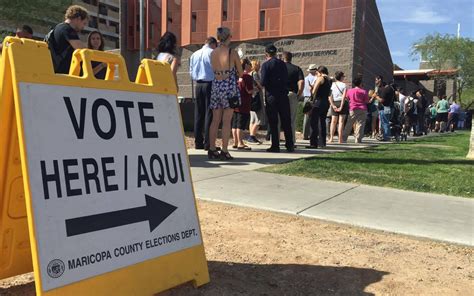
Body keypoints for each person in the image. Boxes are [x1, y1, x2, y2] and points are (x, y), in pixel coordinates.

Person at [208, 27, 243, 160]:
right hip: (228, 86)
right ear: (228, 37)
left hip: (216, 85)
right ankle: (224, 150)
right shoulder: (231, 52)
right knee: (227, 120)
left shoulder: (213, 53)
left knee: (215, 120)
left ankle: (212, 149)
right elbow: (240, 72)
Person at [260, 44, 294, 152]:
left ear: (266, 53)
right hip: (283, 94)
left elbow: (263, 81)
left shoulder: (266, 65)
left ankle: (275, 145)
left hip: (271, 96)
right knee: (286, 120)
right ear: (275, 53)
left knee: (273, 122)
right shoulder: (282, 64)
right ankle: (290, 144)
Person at [189, 36, 218, 150]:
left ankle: (198, 142)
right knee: (209, 113)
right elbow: (216, 69)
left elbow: (191, 71)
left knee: (199, 113)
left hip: (198, 84)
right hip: (209, 83)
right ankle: (208, 143)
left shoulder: (194, 54)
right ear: (213, 44)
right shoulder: (212, 53)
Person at [49, 5, 88, 74]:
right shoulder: (67, 29)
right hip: (63, 74)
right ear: (78, 19)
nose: (83, 27)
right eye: (84, 23)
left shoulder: (59, 27)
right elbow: (82, 50)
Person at [306, 66, 331, 149]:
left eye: (317, 73)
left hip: (318, 101)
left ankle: (313, 143)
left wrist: (312, 90)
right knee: (322, 122)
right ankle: (322, 142)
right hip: (325, 102)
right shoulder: (329, 80)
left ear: (319, 72)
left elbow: (314, 91)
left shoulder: (320, 78)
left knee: (314, 122)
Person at [282, 51, 304, 145]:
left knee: (278, 118)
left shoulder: (280, 68)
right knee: (291, 119)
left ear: (283, 58)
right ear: (291, 58)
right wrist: (299, 94)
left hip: (280, 94)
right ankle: (291, 141)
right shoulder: (296, 68)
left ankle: (275, 141)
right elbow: (301, 82)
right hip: (292, 94)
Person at [232, 59, 253, 150]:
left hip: (235, 102)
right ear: (246, 65)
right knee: (241, 124)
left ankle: (235, 142)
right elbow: (249, 90)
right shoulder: (247, 77)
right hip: (244, 102)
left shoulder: (236, 76)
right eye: (249, 64)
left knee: (235, 123)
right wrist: (255, 90)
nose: (251, 66)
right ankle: (240, 143)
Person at [342, 76, 369, 143]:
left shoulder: (350, 91)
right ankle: (358, 139)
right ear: (360, 83)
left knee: (349, 123)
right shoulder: (364, 91)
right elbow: (366, 101)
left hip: (353, 108)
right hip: (362, 108)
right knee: (360, 124)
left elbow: (347, 98)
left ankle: (344, 138)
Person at [328, 71, 348, 143]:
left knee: (333, 122)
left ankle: (331, 138)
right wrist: (341, 106)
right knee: (341, 122)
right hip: (342, 103)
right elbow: (343, 97)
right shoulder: (344, 85)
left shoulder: (332, 85)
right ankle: (340, 139)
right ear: (341, 77)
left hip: (334, 102)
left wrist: (332, 105)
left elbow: (329, 96)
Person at [248, 59, 265, 144]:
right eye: (258, 64)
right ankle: (252, 136)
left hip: (251, 98)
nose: (260, 66)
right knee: (259, 119)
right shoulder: (254, 74)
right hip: (257, 98)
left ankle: (251, 136)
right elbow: (260, 85)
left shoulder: (249, 74)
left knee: (252, 119)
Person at [372, 75, 394, 141]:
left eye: (376, 80)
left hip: (384, 108)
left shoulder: (385, 89)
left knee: (385, 123)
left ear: (380, 80)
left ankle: (386, 136)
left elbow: (382, 100)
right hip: (387, 108)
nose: (375, 82)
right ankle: (385, 135)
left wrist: (375, 96)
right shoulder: (388, 88)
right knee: (384, 123)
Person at [302, 64, 317, 140]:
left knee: (306, 117)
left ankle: (305, 135)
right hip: (313, 98)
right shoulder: (316, 78)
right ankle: (312, 135)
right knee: (314, 117)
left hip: (306, 98)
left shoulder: (305, 78)